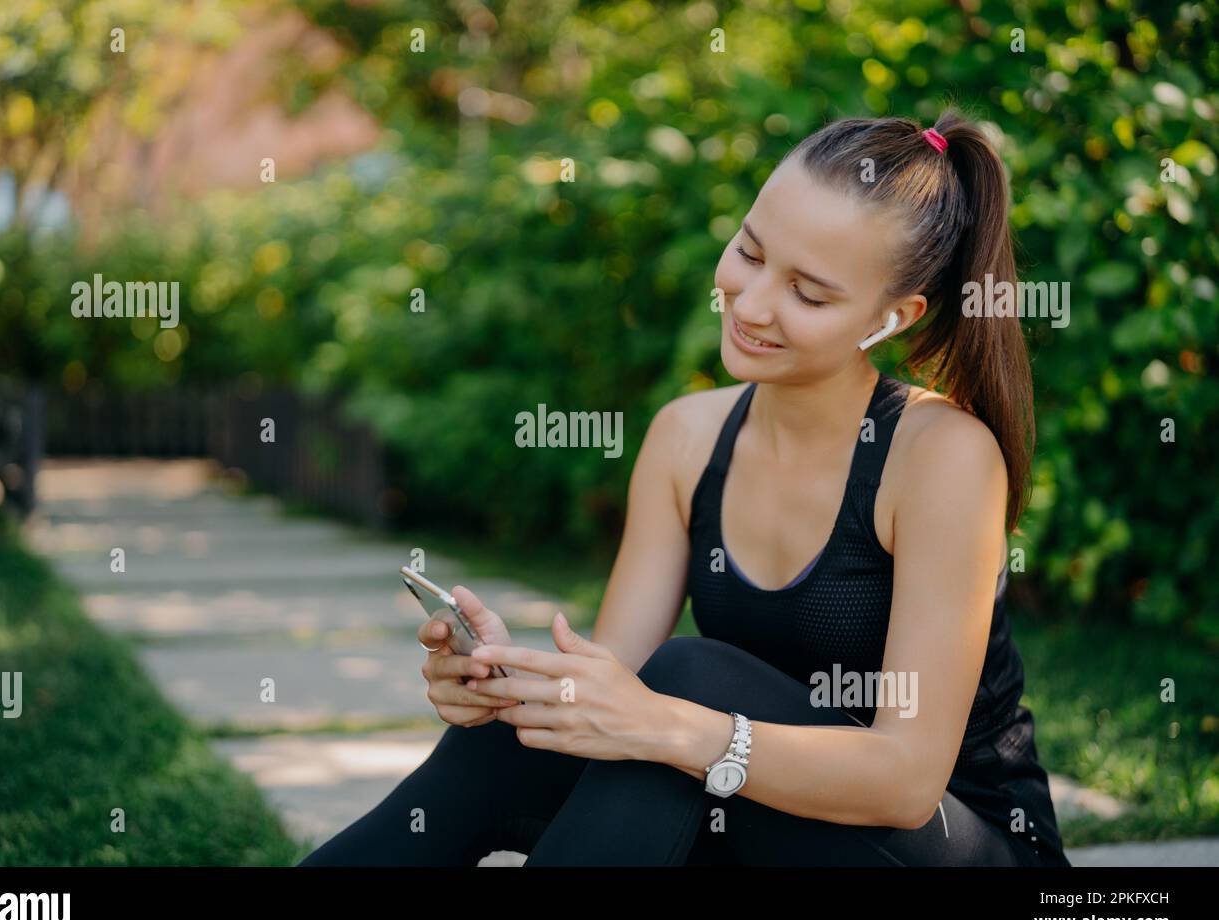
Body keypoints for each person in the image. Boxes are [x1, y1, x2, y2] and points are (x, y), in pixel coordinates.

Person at [300, 110, 1072, 867]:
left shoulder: (942, 456)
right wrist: (509, 684)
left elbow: (905, 783)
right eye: (750, 251)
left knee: (685, 685)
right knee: (522, 737)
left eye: (809, 294)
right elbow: (613, 686)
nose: (755, 302)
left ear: (891, 317)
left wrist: (672, 727)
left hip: (947, 843)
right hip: (761, 818)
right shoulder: (685, 436)